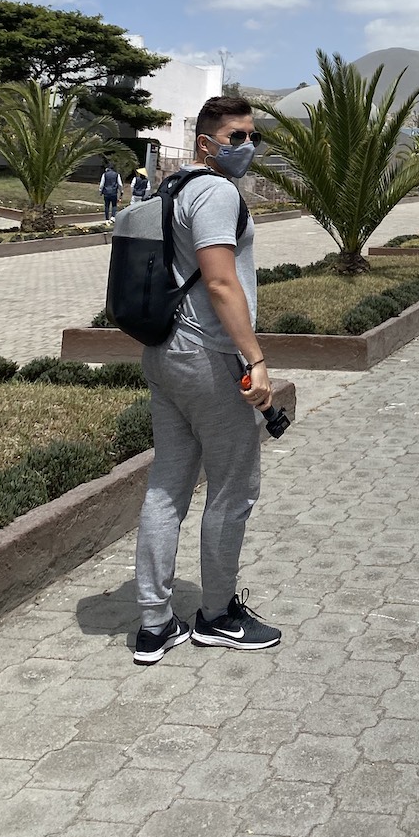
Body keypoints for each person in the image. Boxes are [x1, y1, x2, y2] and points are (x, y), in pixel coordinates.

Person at [131, 94, 280, 665]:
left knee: (167, 486)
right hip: (207, 359)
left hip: (164, 354)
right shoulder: (217, 192)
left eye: (251, 136)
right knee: (234, 488)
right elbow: (221, 284)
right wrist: (255, 359)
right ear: (205, 144)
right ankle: (216, 614)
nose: (246, 146)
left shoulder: (173, 188)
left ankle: (153, 623)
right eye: (237, 136)